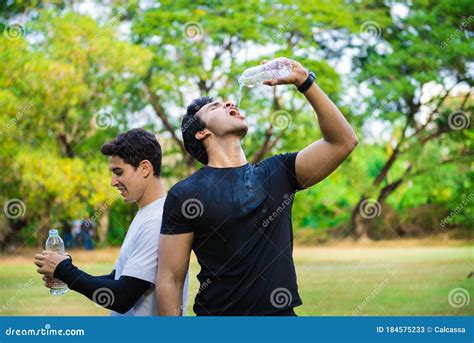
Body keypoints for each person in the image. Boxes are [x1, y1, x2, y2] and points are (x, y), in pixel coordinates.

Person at [156, 57, 358, 316]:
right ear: (201, 133)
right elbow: (170, 279)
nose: (229, 103)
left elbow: (344, 141)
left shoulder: (278, 172)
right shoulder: (184, 195)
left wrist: (304, 81)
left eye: (227, 101)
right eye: (215, 106)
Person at [34, 129, 188, 315]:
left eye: (118, 172)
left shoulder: (157, 219)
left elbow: (122, 297)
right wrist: (65, 275)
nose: (113, 182)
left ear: (145, 168)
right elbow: (117, 279)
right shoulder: (147, 213)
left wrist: (66, 271)